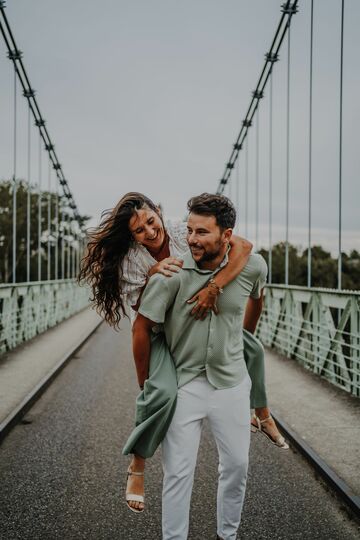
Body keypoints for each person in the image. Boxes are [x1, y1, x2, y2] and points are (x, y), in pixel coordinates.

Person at [79, 192, 288, 513]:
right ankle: (137, 466)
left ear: (158, 213)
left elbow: (243, 248)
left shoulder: (181, 229)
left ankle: (262, 413)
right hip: (162, 331)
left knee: (252, 348)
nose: (149, 231)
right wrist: (152, 274)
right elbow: (143, 317)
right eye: (139, 230)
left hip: (195, 317)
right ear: (131, 236)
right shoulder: (132, 261)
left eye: (151, 221)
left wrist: (213, 287)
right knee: (161, 393)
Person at [132, 193, 267, 540]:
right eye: (189, 230)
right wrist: (147, 384)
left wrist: (243, 340)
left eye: (202, 232)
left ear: (227, 235)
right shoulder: (171, 274)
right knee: (178, 472)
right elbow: (142, 328)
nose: (191, 239)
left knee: (237, 467)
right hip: (185, 384)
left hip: (232, 384)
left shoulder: (253, 266)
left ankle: (228, 535)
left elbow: (257, 299)